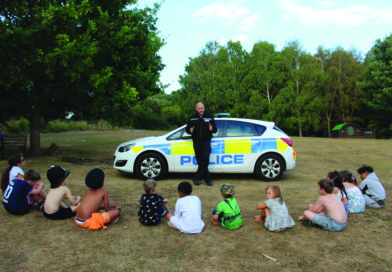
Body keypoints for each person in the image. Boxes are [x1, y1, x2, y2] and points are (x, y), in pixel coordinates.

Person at [185, 102, 217, 186]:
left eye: (202, 108)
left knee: (205, 159)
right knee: (200, 160)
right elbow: (187, 128)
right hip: (196, 141)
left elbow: (215, 129)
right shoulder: (192, 118)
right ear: (196, 109)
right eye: (199, 108)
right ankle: (207, 179)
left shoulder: (210, 117)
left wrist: (211, 129)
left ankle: (197, 177)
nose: (201, 110)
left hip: (206, 141)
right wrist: (190, 130)